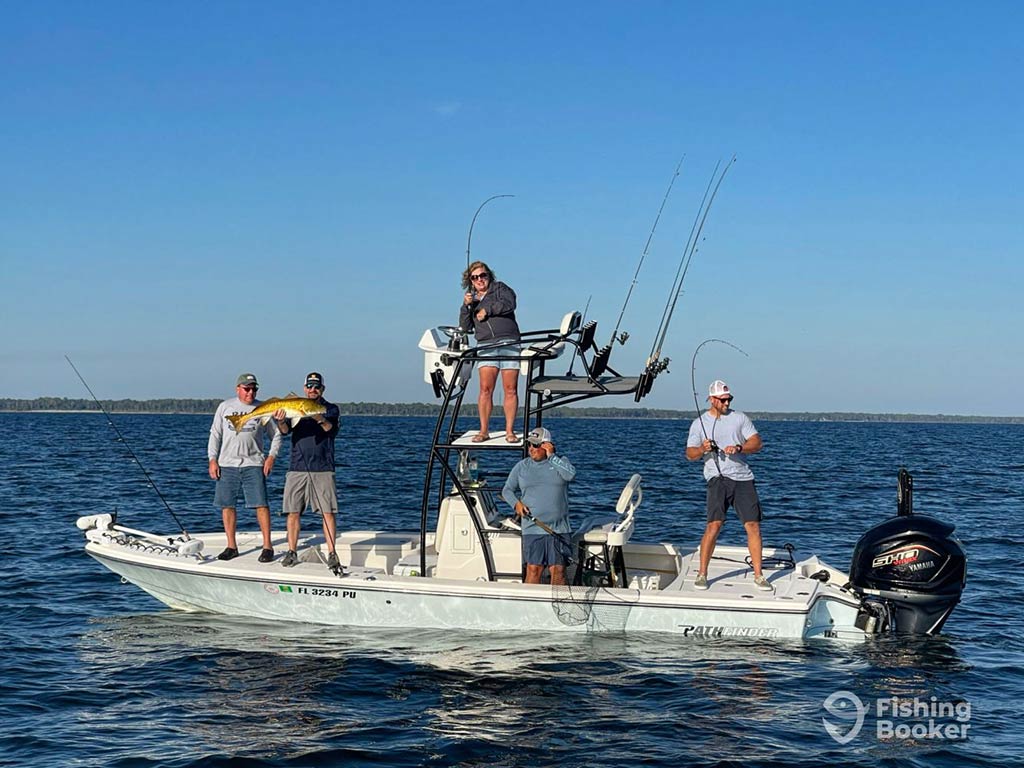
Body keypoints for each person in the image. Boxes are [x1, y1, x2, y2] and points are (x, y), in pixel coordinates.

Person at [685, 379, 772, 591]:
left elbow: (757, 443)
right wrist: (703, 449)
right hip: (717, 478)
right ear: (713, 400)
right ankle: (702, 573)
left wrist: (740, 447)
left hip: (743, 479)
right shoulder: (699, 423)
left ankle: (759, 575)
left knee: (753, 526)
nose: (727, 402)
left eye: (729, 399)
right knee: (714, 525)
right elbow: (690, 454)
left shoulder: (739, 418)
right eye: (723, 399)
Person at [208, 372, 281, 562]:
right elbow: (215, 434)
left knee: (261, 504)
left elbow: (277, 435)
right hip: (227, 464)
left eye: (254, 389)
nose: (250, 393)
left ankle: (267, 546)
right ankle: (231, 546)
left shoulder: (264, 408)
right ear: (238, 389)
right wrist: (212, 459)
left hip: (254, 464)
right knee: (227, 505)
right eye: (247, 389)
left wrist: (271, 457)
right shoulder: (225, 407)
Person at [273, 372, 341, 570]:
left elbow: (330, 429)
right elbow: (286, 431)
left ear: (322, 389)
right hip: (297, 467)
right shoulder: (296, 405)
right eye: (309, 386)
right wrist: (280, 420)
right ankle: (291, 552)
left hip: (323, 468)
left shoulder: (330, 409)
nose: (313, 390)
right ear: (304, 388)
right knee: (293, 511)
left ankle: (332, 553)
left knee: (328, 512)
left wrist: (317, 415)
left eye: (316, 386)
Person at [502, 427, 576, 585]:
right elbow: (507, 490)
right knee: (534, 569)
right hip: (533, 528)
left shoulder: (561, 462)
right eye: (530, 445)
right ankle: (528, 608)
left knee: (558, 570)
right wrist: (516, 503)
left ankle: (557, 605)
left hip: (559, 529)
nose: (531, 449)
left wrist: (552, 456)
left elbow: (570, 475)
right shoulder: (522, 466)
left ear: (546, 445)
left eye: (535, 445)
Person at [459, 260, 521, 443]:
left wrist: (488, 309)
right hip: (485, 345)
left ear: (489, 276)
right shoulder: (471, 300)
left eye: (483, 275)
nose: (480, 279)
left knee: (510, 389)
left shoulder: (501, 288)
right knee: (485, 389)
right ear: (470, 280)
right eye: (475, 277)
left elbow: (510, 303)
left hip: (509, 342)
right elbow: (465, 327)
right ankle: (483, 430)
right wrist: (465, 307)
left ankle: (510, 431)